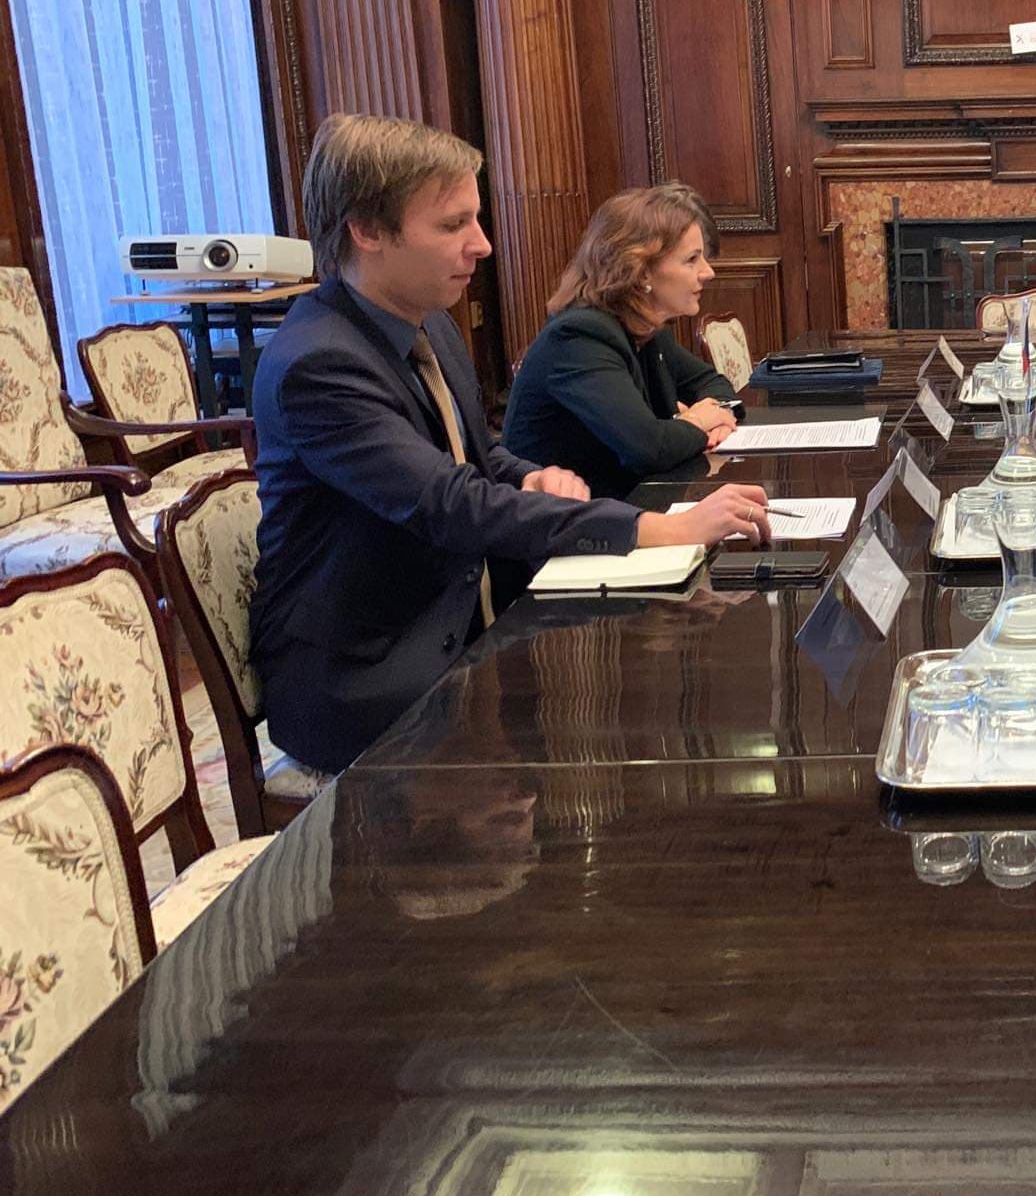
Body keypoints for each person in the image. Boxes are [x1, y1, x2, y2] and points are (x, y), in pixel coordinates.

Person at [251, 114, 771, 775]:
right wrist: (660, 529)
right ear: (368, 230)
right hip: (375, 673)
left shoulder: (430, 325)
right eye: (453, 225)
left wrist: (526, 476)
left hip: (464, 620)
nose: (483, 244)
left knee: (662, 689)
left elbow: (475, 455)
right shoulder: (319, 363)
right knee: (626, 736)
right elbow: (449, 503)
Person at [503, 184, 741, 498]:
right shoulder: (580, 338)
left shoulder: (646, 327)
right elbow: (649, 448)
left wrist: (717, 420)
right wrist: (698, 420)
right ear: (641, 272)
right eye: (691, 260)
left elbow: (712, 382)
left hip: (622, 504)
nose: (707, 272)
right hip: (563, 518)